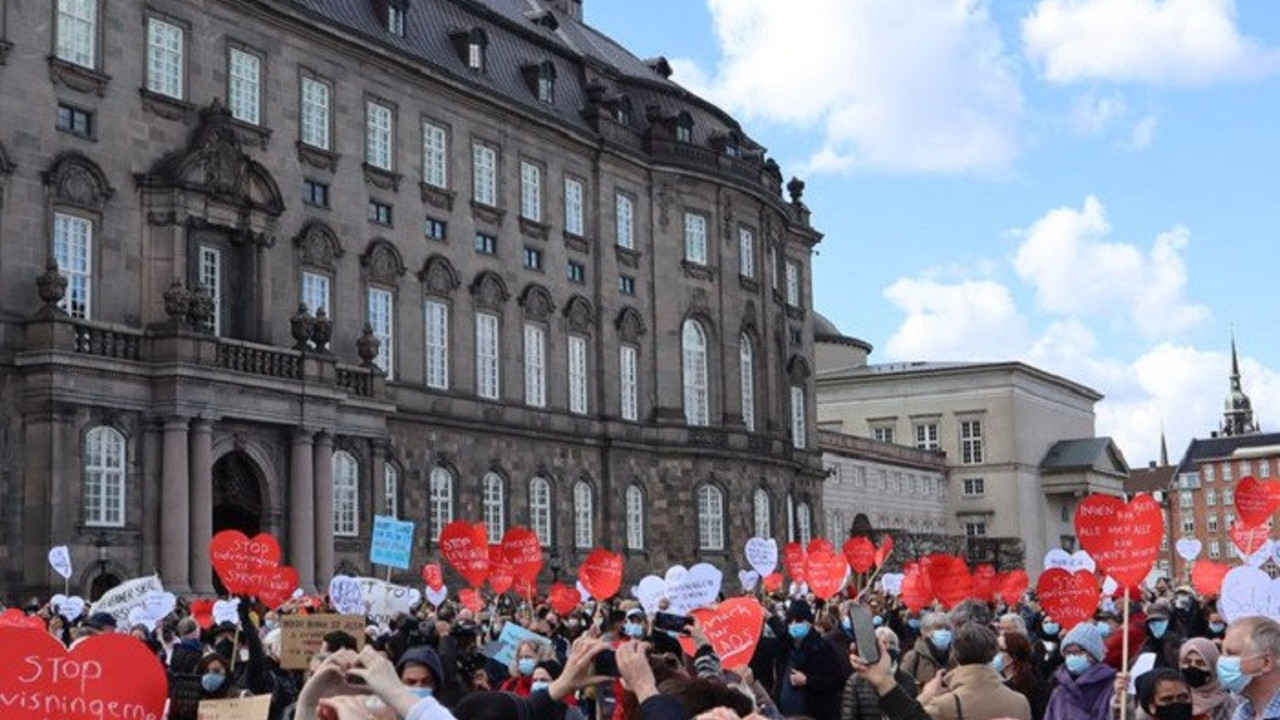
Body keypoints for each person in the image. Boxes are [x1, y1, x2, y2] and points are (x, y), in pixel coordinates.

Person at [917, 622, 1031, 720]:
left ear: (955, 654)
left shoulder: (943, 706)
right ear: (993, 653)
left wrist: (926, 696)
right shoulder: (1020, 702)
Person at [774, 599, 844, 720]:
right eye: (790, 621)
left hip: (814, 713)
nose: (794, 624)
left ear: (810, 623)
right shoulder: (784, 648)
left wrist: (808, 680)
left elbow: (837, 681)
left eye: (799, 620)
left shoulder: (823, 648)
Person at [842, 628, 918, 720]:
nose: (887, 647)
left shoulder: (908, 680)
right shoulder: (856, 681)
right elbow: (848, 715)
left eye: (892, 643)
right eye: (883, 643)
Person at [1045, 622, 1115, 720]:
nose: (1072, 657)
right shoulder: (1059, 693)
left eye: (1077, 652)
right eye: (1068, 652)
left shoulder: (1110, 688)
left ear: (1094, 655)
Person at [1219, 616, 1280, 720]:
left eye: (1231, 654)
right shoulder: (1242, 713)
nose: (1221, 660)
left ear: (1266, 662)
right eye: (1222, 653)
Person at [1178, 638, 1237, 720]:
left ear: (1213, 667)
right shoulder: (1174, 700)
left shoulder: (1228, 706)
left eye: (1200, 663)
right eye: (1187, 662)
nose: (1192, 667)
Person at [1001, 631, 1049, 720]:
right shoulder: (994, 680)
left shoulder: (1035, 684)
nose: (994, 654)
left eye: (1000, 650)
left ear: (1013, 655)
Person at [902, 612, 951, 686]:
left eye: (947, 628)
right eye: (939, 628)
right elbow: (903, 686)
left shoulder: (955, 658)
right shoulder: (913, 657)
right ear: (925, 632)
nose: (944, 632)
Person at [1033, 616, 1065, 681]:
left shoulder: (1065, 643)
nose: (1049, 624)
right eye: (1046, 622)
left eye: (1053, 622)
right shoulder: (1038, 644)